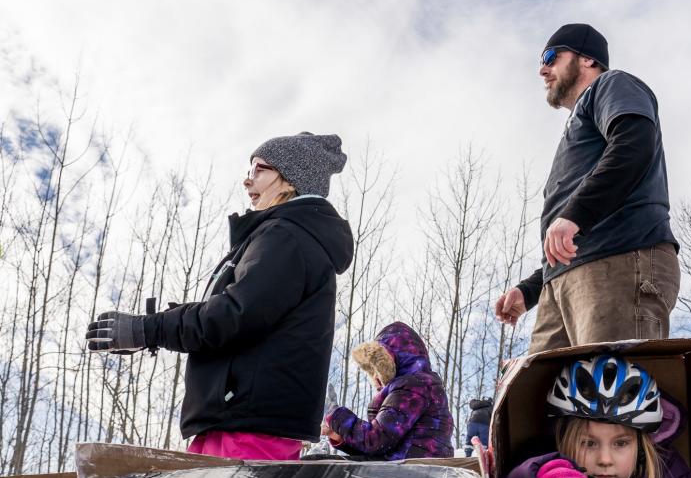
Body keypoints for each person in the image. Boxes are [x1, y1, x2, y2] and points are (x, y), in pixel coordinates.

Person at [85, 132, 352, 460]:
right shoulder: (283, 236)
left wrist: (149, 328)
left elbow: (232, 316)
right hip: (240, 420)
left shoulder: (286, 237)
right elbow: (241, 310)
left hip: (246, 425)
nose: (247, 180)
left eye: (258, 169)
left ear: (288, 180)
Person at [493, 23, 679, 352]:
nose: (542, 69)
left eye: (551, 57)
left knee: (611, 397)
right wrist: (531, 289)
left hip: (617, 261)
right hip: (562, 284)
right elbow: (568, 238)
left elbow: (634, 145)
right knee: (538, 399)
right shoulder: (578, 126)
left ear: (587, 60)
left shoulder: (612, 84)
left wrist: (576, 213)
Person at [499, 354, 691, 478]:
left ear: (642, 445)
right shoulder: (542, 461)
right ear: (561, 438)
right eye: (588, 443)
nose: (605, 460)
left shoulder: (665, 472)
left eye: (621, 443)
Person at [323, 322, 453, 460]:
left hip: (412, 473)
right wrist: (339, 436)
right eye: (371, 370)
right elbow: (379, 448)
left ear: (390, 362)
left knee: (318, 466)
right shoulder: (416, 385)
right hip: (406, 469)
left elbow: (374, 441)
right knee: (322, 465)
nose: (374, 375)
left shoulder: (412, 387)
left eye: (377, 367)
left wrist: (335, 414)